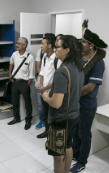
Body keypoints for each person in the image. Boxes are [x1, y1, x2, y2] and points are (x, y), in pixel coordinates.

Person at [42, 35, 84, 173]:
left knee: (58, 154)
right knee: (68, 146)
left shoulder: (62, 71)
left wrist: (46, 96)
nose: (55, 49)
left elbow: (56, 103)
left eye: (58, 47)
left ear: (67, 50)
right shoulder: (78, 67)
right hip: (73, 116)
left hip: (60, 119)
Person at [71, 20, 108, 173]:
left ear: (91, 45)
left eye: (83, 42)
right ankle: (76, 154)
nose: (81, 45)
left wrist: (72, 94)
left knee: (84, 133)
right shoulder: (81, 59)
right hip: (76, 102)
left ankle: (82, 162)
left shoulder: (98, 63)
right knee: (75, 131)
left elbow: (89, 87)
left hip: (86, 104)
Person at [7, 37, 35, 130]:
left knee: (27, 103)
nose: (16, 45)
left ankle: (28, 120)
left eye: (19, 43)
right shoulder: (14, 54)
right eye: (16, 43)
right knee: (15, 102)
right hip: (15, 82)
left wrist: (28, 84)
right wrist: (10, 74)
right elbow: (11, 63)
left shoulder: (30, 57)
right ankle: (16, 118)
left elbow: (32, 74)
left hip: (24, 83)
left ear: (24, 45)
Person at [36, 35, 62, 138]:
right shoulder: (45, 57)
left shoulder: (57, 59)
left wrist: (45, 89)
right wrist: (42, 88)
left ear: (50, 45)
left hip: (52, 92)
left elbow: (57, 79)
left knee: (53, 116)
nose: (41, 46)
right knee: (46, 113)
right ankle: (47, 131)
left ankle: (53, 135)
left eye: (43, 44)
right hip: (44, 92)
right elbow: (41, 73)